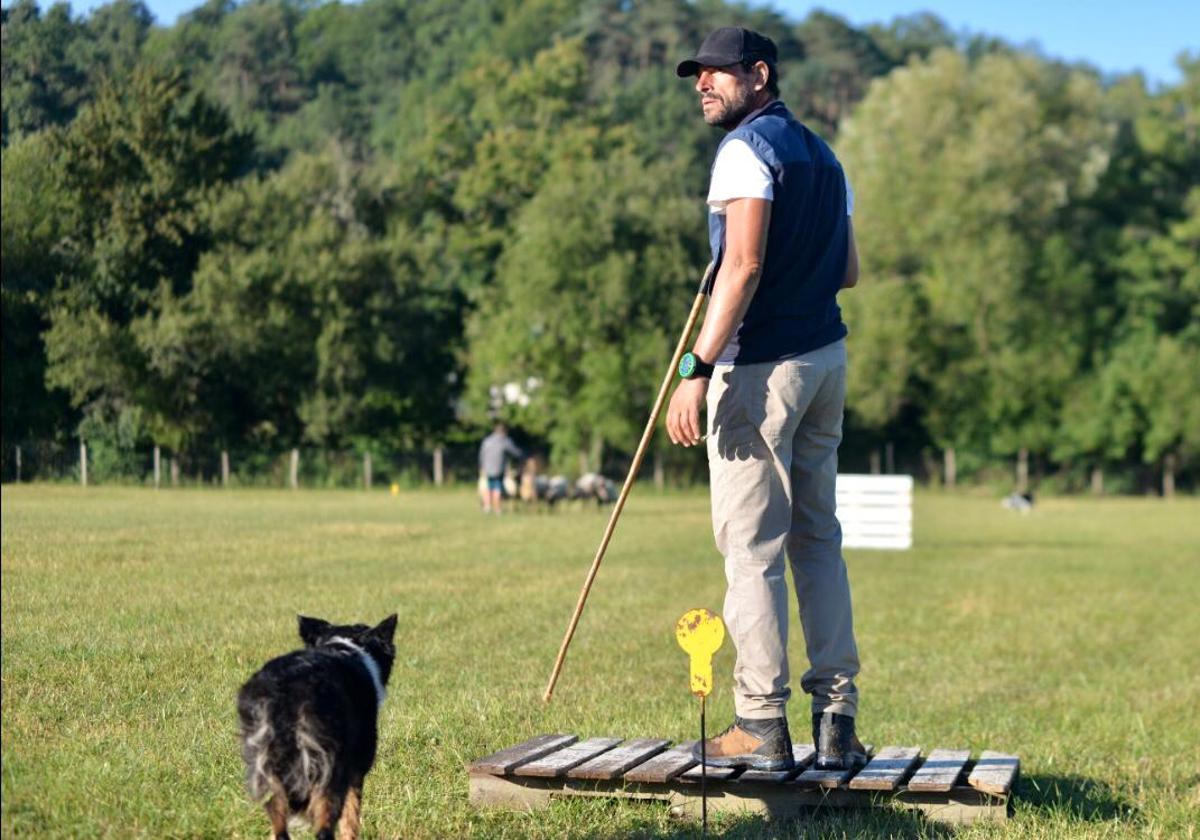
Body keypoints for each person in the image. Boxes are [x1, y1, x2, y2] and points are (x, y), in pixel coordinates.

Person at [666, 26, 865, 773]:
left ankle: (758, 722)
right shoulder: (825, 155)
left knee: (752, 551)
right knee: (818, 540)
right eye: (697, 76)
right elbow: (846, 270)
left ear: (759, 74)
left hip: (761, 369)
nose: (702, 85)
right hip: (825, 362)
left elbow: (742, 268)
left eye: (716, 73)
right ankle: (837, 722)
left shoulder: (745, 151)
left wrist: (695, 365)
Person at [478, 423, 523, 514]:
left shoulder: (486, 441)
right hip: (498, 469)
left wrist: (482, 467)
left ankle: (487, 507)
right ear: (504, 431)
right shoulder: (504, 441)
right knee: (497, 488)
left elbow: (481, 455)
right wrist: (523, 454)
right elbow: (514, 451)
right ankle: (497, 509)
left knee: (488, 487)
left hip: (487, 469)